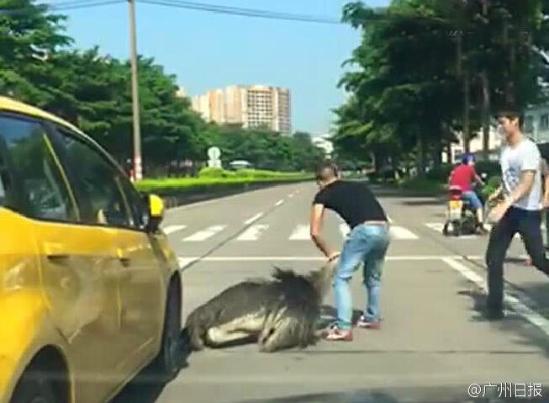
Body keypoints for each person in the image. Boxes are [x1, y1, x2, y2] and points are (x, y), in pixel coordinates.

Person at [310, 161, 390, 341]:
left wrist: (330, 253)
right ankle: (372, 317)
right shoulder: (358, 186)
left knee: (341, 279)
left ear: (319, 180)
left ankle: (343, 328)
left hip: (362, 231)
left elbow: (315, 232)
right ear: (338, 174)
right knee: (373, 278)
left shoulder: (323, 194)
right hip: (383, 229)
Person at [485, 109, 549, 320]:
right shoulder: (506, 150)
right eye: (498, 124)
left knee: (538, 258)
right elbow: (509, 181)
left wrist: (505, 204)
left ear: (515, 122)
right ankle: (494, 308)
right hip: (510, 210)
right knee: (493, 258)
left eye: (503, 123)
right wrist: (498, 195)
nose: (500, 127)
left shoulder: (528, 149)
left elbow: (527, 183)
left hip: (527, 212)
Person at [448, 153, 488, 233]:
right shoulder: (470, 169)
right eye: (473, 161)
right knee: (479, 206)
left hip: (454, 192)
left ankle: (451, 222)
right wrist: (482, 184)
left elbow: (450, 180)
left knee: (452, 206)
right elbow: (477, 179)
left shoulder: (456, 169)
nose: (474, 163)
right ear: (469, 161)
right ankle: (480, 225)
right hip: (465, 191)